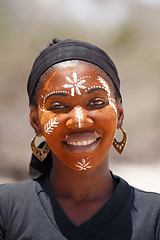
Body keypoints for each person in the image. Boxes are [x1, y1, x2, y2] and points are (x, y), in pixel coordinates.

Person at [0, 38, 159, 240]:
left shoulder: (155, 217)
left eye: (96, 102)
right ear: (35, 121)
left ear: (119, 114)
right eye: (58, 106)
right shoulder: (6, 209)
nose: (79, 121)